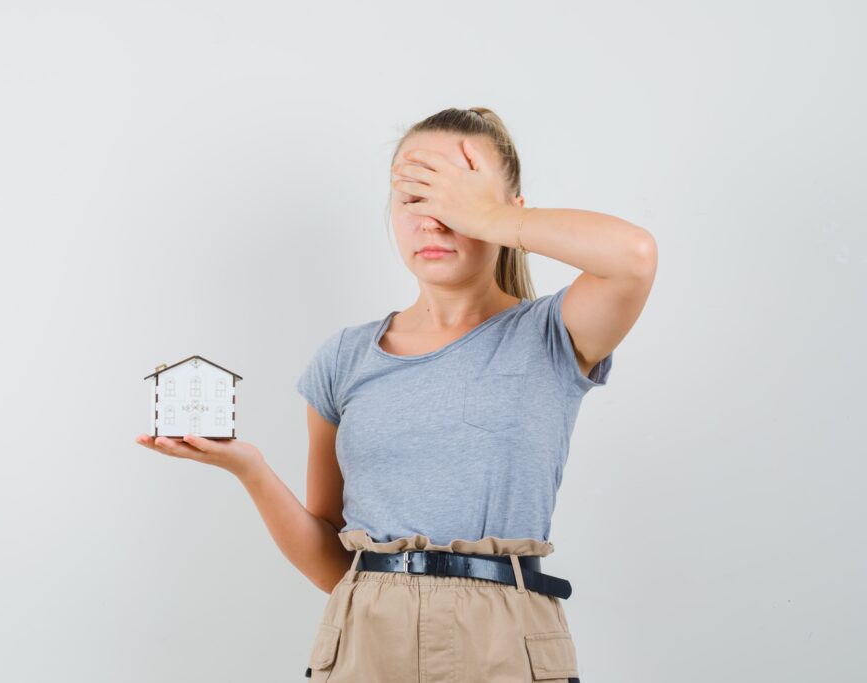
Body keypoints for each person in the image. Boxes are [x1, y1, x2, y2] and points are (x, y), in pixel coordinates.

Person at [136, 106, 656, 683]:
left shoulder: (551, 334)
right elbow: (334, 566)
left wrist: (486, 215)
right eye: (415, 197)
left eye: (455, 197)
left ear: (508, 212)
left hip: (506, 644)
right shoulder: (345, 357)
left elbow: (633, 258)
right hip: (364, 644)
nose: (434, 220)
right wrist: (250, 469)